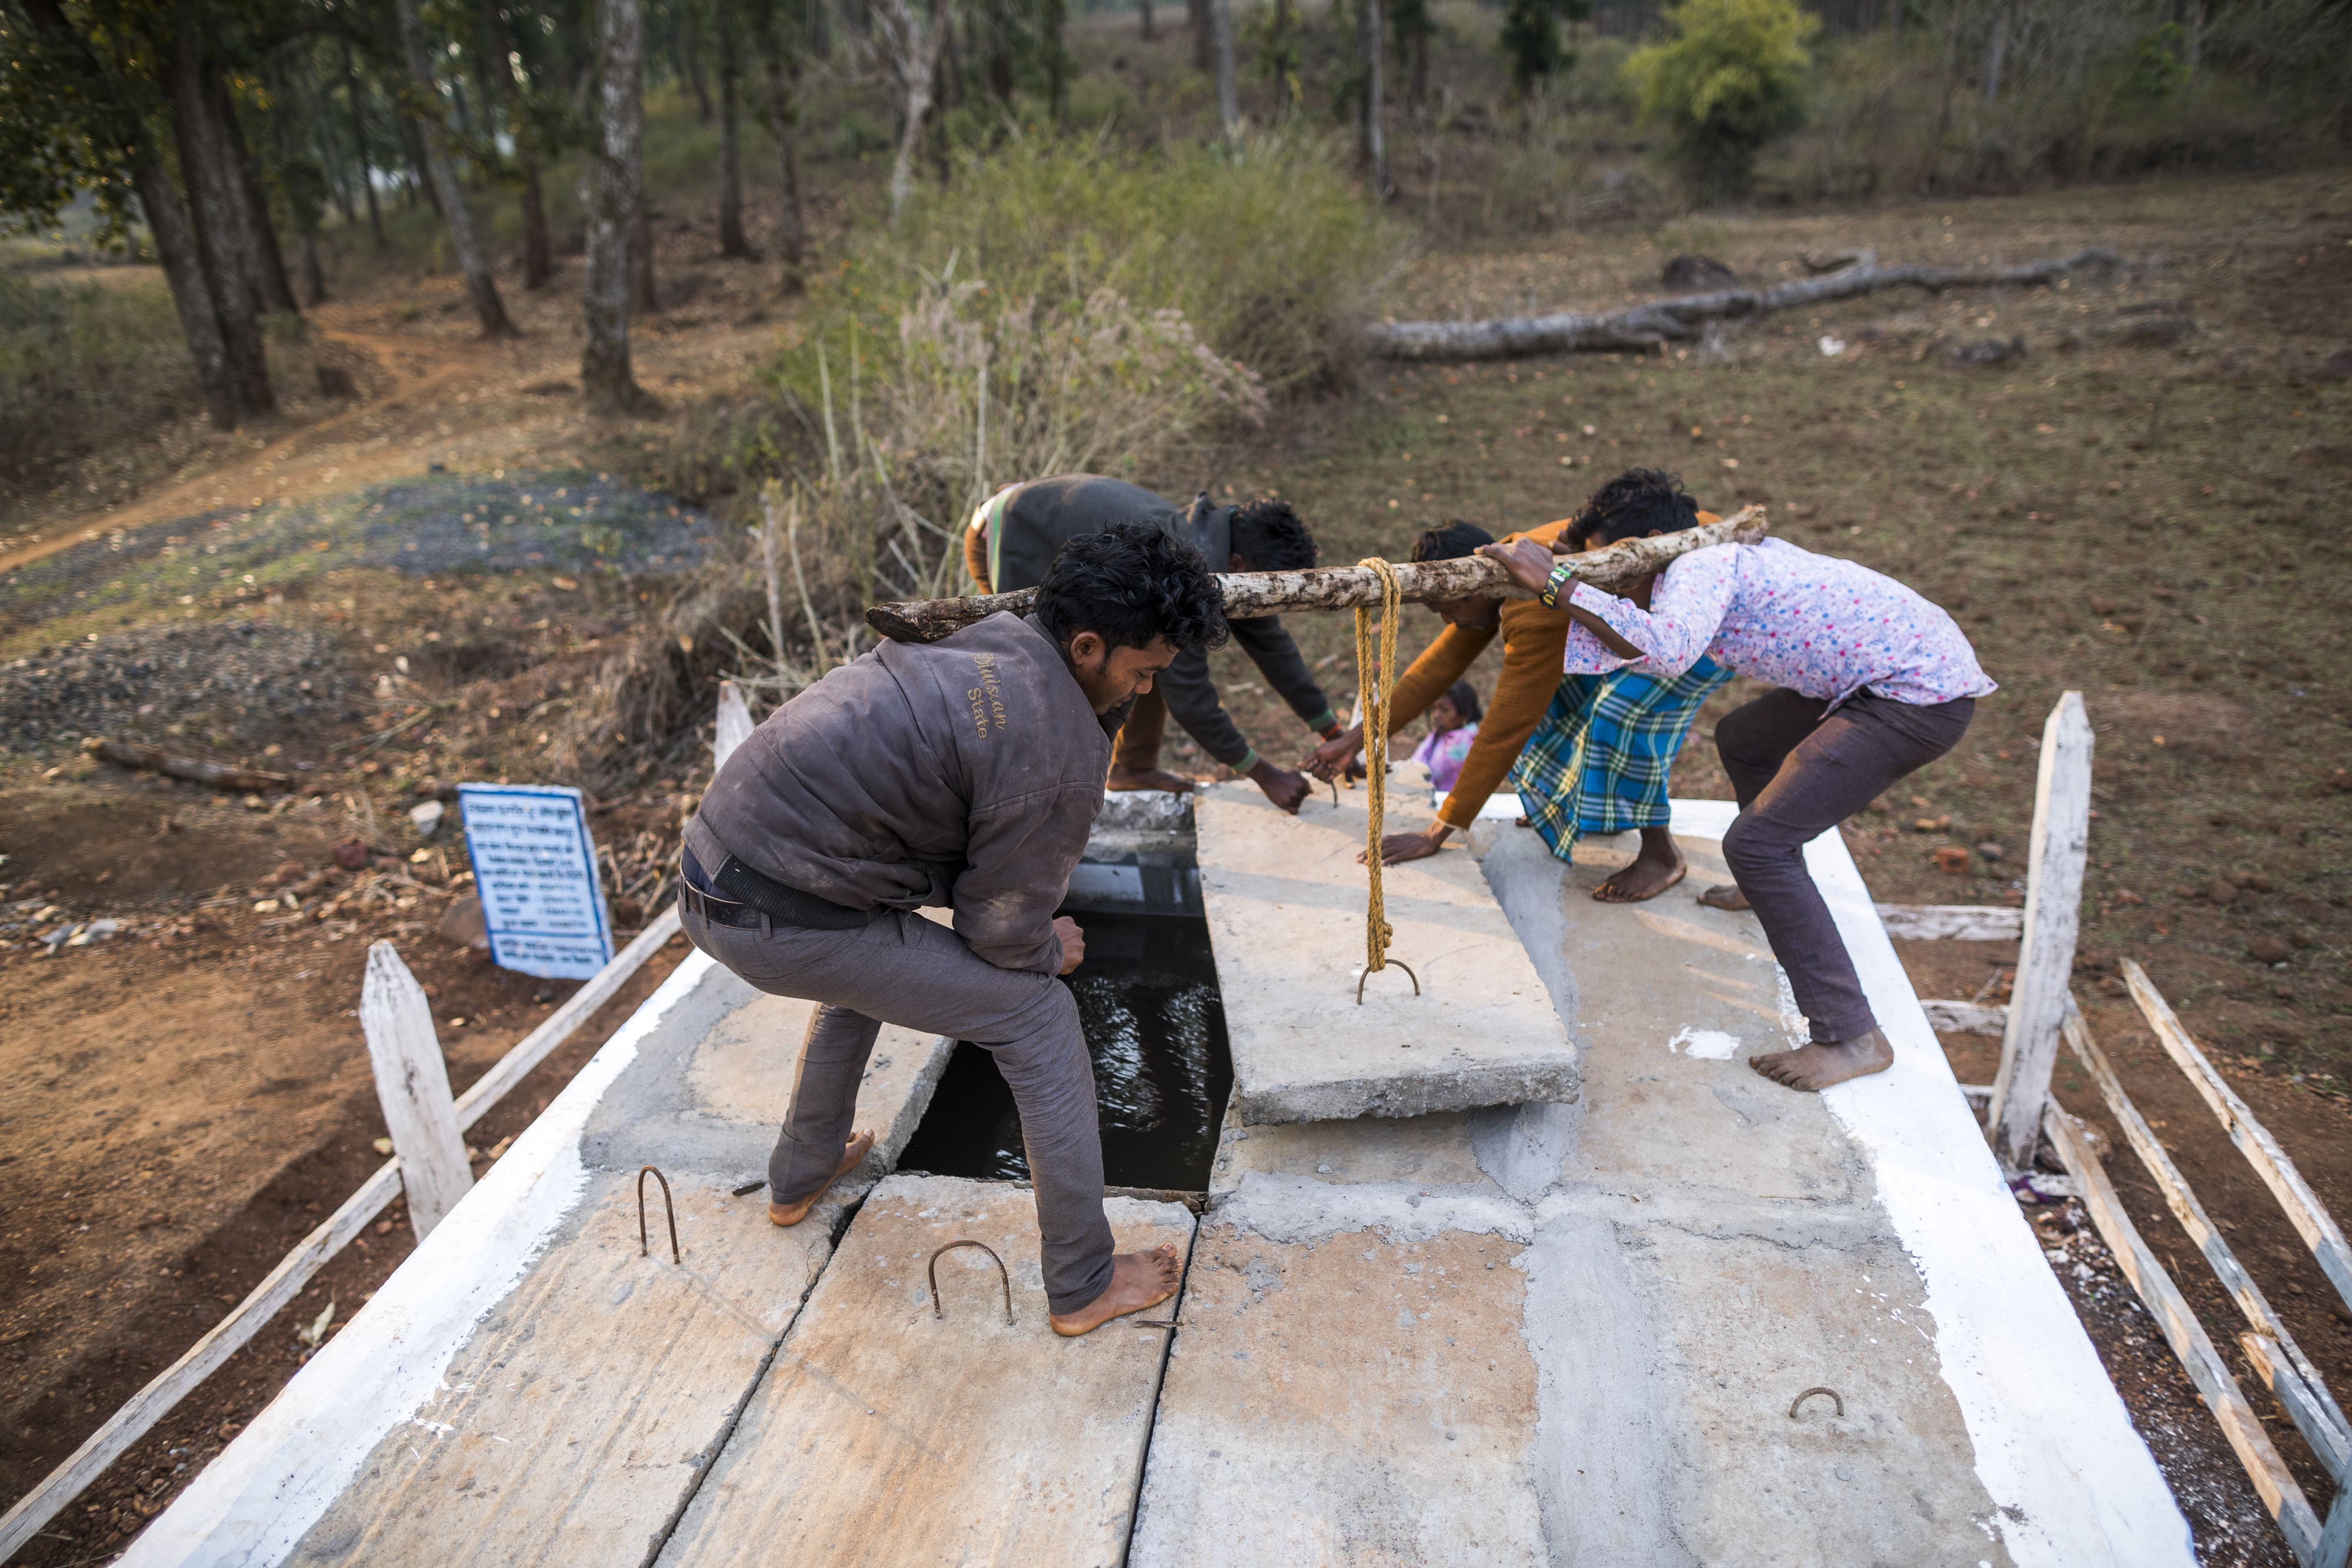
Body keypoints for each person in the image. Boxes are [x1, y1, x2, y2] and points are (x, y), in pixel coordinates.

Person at [680, 522, 1228, 1335]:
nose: (1144, 693)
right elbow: (998, 930)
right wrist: (1049, 946)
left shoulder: (993, 635)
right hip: (778, 912)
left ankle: (801, 1172)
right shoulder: (1054, 747)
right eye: (1142, 673)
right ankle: (1083, 1280)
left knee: (864, 967)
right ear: (1087, 646)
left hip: (714, 867)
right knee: (1039, 1015)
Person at [1482, 520, 1994, 1095]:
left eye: (1616, 569)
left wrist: (1558, 584)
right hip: (1889, 673)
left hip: (1915, 697)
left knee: (1755, 845)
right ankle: (1766, 884)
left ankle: (1851, 1037)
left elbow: (1667, 651)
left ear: (1649, 544)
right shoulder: (1696, 549)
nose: (1615, 586)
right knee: (1745, 738)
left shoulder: (1696, 568)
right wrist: (1563, 572)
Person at [1306, 472, 1730, 904]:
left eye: (1448, 610)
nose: (1448, 623)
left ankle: (1661, 854)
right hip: (1640, 622)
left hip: (1707, 623)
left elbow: (1506, 727)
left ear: (1473, 593)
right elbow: (1436, 668)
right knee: (1565, 701)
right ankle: (1587, 806)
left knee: (1619, 715)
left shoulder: (1531, 605)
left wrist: (1440, 829)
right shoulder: (1500, 564)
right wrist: (1354, 740)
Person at [967, 474, 1341, 812]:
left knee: (1150, 659)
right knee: (1051, 667)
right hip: (1012, 530)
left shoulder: (1223, 545)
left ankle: (1133, 765)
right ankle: (1033, 792)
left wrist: (1335, 734)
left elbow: (1271, 645)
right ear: (1240, 566)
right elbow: (1191, 698)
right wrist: (1264, 774)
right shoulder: (1194, 577)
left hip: (1042, 510)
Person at [1410, 681, 1482, 794]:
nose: (1436, 715)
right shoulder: (1439, 734)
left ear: (1464, 715)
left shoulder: (1465, 742)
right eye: (1435, 708)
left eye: (1445, 710)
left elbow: (1435, 773)